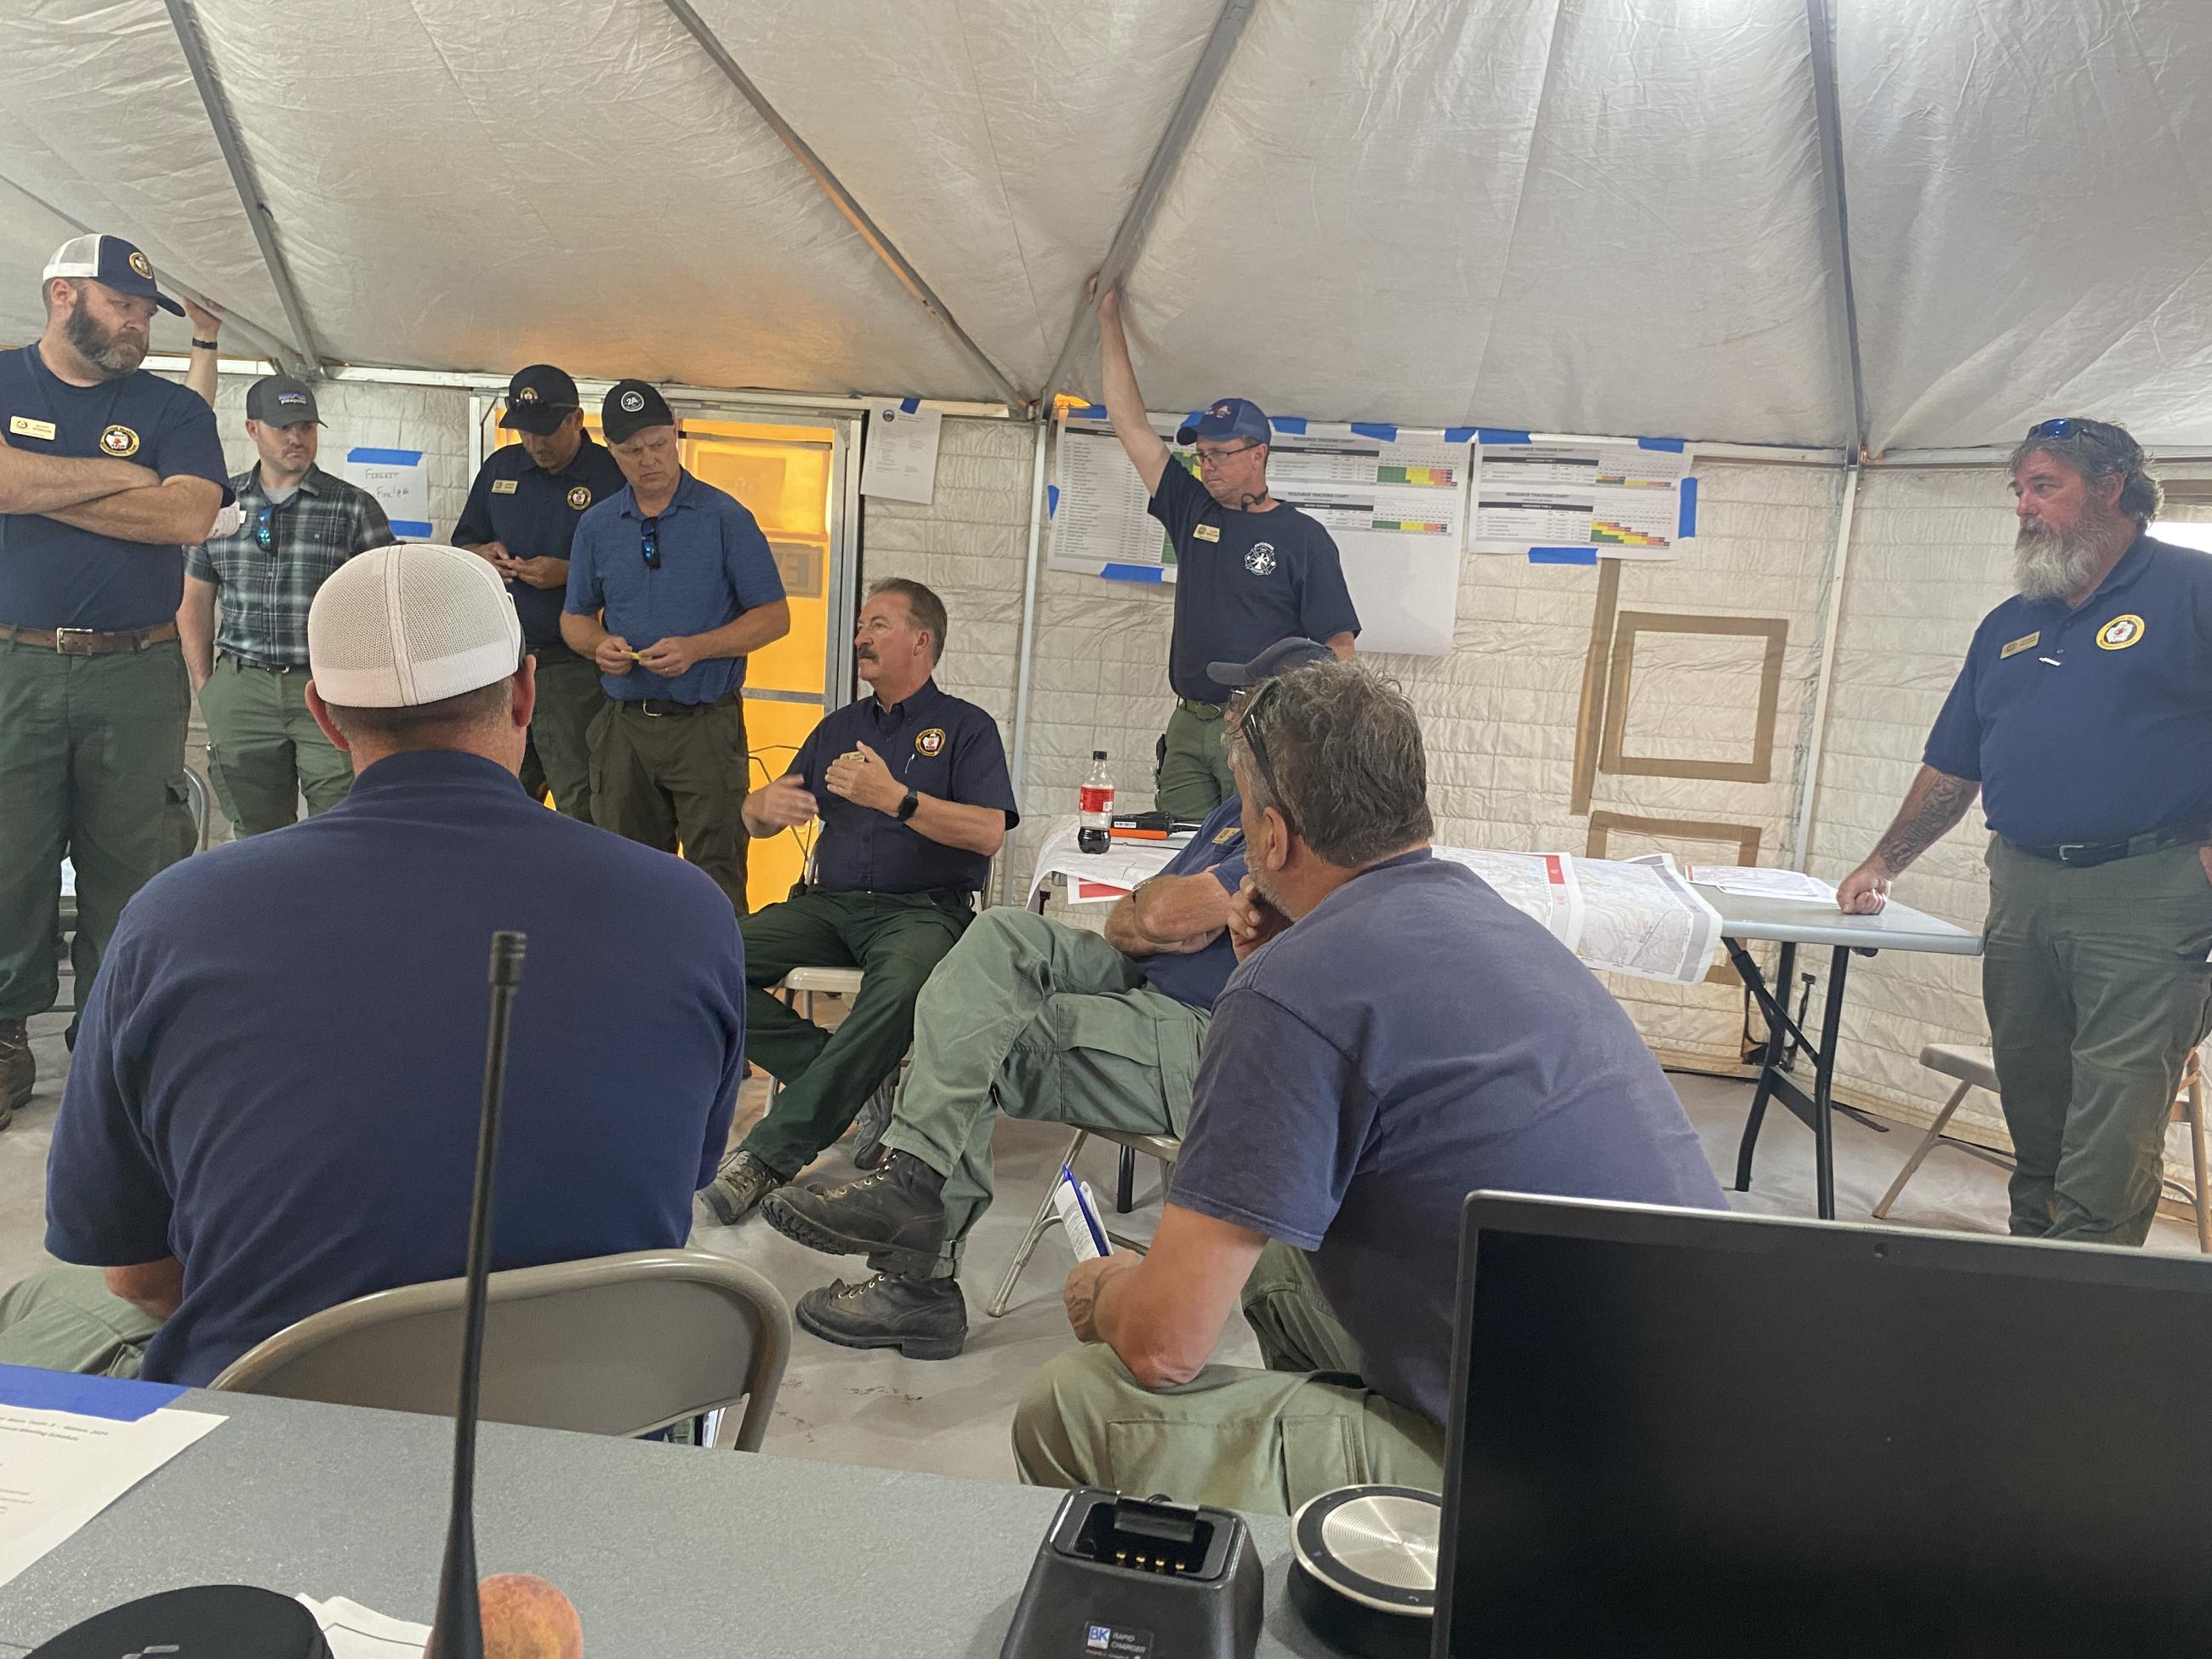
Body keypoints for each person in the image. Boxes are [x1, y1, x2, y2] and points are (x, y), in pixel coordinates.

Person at [0, 543, 745, 1383]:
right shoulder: (688, 913)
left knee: (36, 1311)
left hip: (273, 1444)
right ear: (527, 690)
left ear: (323, 714)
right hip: (595, 1427)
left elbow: (137, 1273)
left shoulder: (176, 919)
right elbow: (670, 1184)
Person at [1012, 661, 1727, 1514]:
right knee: (1281, 1268)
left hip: (1554, 1502)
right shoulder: (1504, 929)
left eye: (1244, 817)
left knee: (1072, 1404)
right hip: (1681, 1442)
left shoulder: (1290, 990)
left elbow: (1164, 1347)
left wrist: (1108, 1293)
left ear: (1271, 838)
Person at [761, 637, 1339, 1360]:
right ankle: (913, 1181)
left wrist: (1163, 919)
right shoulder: (1237, 808)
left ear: (1280, 726)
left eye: (1241, 704)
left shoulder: (1310, 823)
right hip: (1145, 983)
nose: (1225, 716)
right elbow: (1139, 923)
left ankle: (918, 1280)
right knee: (1000, 934)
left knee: (972, 1033)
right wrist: (1166, 919)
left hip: (1209, 1038)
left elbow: (1157, 918)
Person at [1838, 418, 2212, 1247]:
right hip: (2021, 885)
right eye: (2017, 490)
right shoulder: (2008, 622)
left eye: (2043, 486)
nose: (2023, 506)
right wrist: (1883, 859)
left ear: (2110, 487)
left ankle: (2088, 1308)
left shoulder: (2193, 592)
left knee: (2111, 1111)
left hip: (2146, 891)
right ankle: (2030, 1274)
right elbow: (1951, 765)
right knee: (2032, 1096)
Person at [701, 579, 1019, 1227]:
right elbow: (763, 818)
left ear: (921, 640)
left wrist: (896, 799)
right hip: (828, 906)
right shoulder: (837, 728)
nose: (859, 639)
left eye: (877, 625)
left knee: (901, 990)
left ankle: (764, 1158)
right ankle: (854, 1074)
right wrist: (759, 810)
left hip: (925, 911)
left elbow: (988, 831)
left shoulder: (966, 728)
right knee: (702, 960)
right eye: (860, 627)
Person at [0, 235, 230, 1129]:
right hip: (14, 662)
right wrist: (116, 477)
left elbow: (187, 510)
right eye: (121, 305)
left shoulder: (171, 406)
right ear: (63, 294)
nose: (136, 324)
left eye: (143, 312)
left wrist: (35, 485)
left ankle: (108, 1041)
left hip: (136, 671)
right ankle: (5, 1035)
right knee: (8, 856)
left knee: (134, 860)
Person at [1095, 283, 1360, 818]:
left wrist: (1305, 730)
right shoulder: (1194, 510)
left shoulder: (1302, 537)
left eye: (1219, 453)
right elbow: (1130, 425)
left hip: (1261, 728)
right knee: (1180, 858)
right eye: (1200, 454)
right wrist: (1107, 319)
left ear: (1259, 454)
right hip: (1188, 724)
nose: (1205, 465)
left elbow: (1340, 652)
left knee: (1253, 866)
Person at [562, 380, 790, 911]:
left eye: (659, 444)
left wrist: (698, 648)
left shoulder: (725, 517)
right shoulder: (597, 525)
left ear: (677, 434)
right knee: (625, 871)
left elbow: (774, 617)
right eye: (632, 451)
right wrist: (599, 645)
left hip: (704, 723)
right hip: (624, 722)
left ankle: (715, 990)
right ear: (611, 452)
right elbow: (574, 618)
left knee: (716, 872)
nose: (649, 460)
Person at [180, 374, 396, 835]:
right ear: (252, 429)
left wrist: (370, 688)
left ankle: (336, 908)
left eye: (306, 426)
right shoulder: (218, 504)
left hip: (328, 686)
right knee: (256, 829)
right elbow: (194, 597)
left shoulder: (354, 507)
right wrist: (208, 687)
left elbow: (385, 604)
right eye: (283, 427)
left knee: (343, 820)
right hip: (243, 686)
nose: (297, 438)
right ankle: (267, 909)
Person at [453, 364, 628, 823]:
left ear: (576, 419)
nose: (536, 444)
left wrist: (569, 574)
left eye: (547, 431)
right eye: (526, 432)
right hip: (500, 666)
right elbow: (463, 544)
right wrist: (481, 556)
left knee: (582, 801)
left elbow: (638, 568)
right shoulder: (501, 468)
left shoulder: (612, 476)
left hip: (572, 672)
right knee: (497, 799)